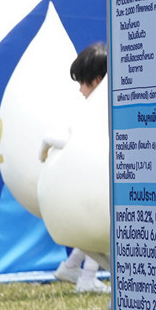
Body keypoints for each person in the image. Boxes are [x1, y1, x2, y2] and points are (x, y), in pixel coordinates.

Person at [51, 43, 108, 294]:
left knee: (97, 228)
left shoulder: (104, 112)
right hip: (88, 196)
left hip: (99, 195)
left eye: (83, 82)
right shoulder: (92, 113)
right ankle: (80, 272)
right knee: (92, 228)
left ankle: (82, 272)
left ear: (97, 81)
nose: (80, 90)